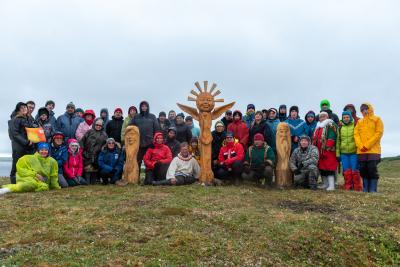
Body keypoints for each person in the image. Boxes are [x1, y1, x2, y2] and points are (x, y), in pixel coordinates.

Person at [354, 103, 384, 193]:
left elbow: (379, 133)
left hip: (374, 150)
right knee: (363, 169)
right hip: (361, 151)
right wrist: (360, 145)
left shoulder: (377, 119)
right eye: (362, 110)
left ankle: (373, 189)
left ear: (370, 108)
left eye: (365, 109)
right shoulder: (359, 122)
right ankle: (365, 189)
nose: (364, 111)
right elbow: (356, 134)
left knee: (372, 168)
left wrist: (367, 145)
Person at [129, 101, 160, 176]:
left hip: (150, 143)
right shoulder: (136, 117)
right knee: (138, 161)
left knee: (149, 161)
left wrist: (155, 141)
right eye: (142, 106)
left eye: (145, 106)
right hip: (138, 144)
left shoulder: (152, 117)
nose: (144, 107)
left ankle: (149, 178)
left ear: (148, 107)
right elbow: (130, 127)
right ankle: (136, 177)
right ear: (140, 107)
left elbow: (157, 129)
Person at [8, 102, 35, 184]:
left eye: (25, 108)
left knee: (25, 164)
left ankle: (23, 181)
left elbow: (30, 131)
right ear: (18, 110)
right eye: (22, 108)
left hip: (27, 146)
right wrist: (26, 142)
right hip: (18, 146)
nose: (24, 109)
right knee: (16, 164)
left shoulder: (27, 119)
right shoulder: (15, 119)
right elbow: (15, 134)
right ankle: (14, 182)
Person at [312, 112, 338, 191]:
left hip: (328, 150)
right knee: (322, 168)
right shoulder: (318, 127)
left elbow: (332, 135)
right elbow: (314, 138)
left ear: (327, 117)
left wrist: (328, 146)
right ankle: (325, 183)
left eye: (324, 116)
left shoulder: (330, 124)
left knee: (329, 167)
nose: (322, 118)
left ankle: (331, 185)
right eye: (321, 117)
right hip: (319, 151)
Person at [336, 111, 361, 191]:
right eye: (344, 117)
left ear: (350, 117)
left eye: (347, 117)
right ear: (342, 118)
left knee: (355, 170)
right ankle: (348, 186)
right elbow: (338, 141)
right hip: (344, 153)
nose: (346, 119)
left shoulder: (355, 125)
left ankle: (357, 187)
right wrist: (337, 153)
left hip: (354, 152)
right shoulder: (340, 127)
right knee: (346, 171)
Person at [80, 118, 108, 184]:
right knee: (87, 171)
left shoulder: (104, 135)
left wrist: (102, 152)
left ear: (102, 126)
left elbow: (106, 145)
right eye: (97, 125)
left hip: (97, 155)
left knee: (94, 172)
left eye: (100, 125)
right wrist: (83, 151)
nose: (98, 126)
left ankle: (93, 183)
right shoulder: (89, 132)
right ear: (94, 124)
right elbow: (82, 141)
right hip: (87, 154)